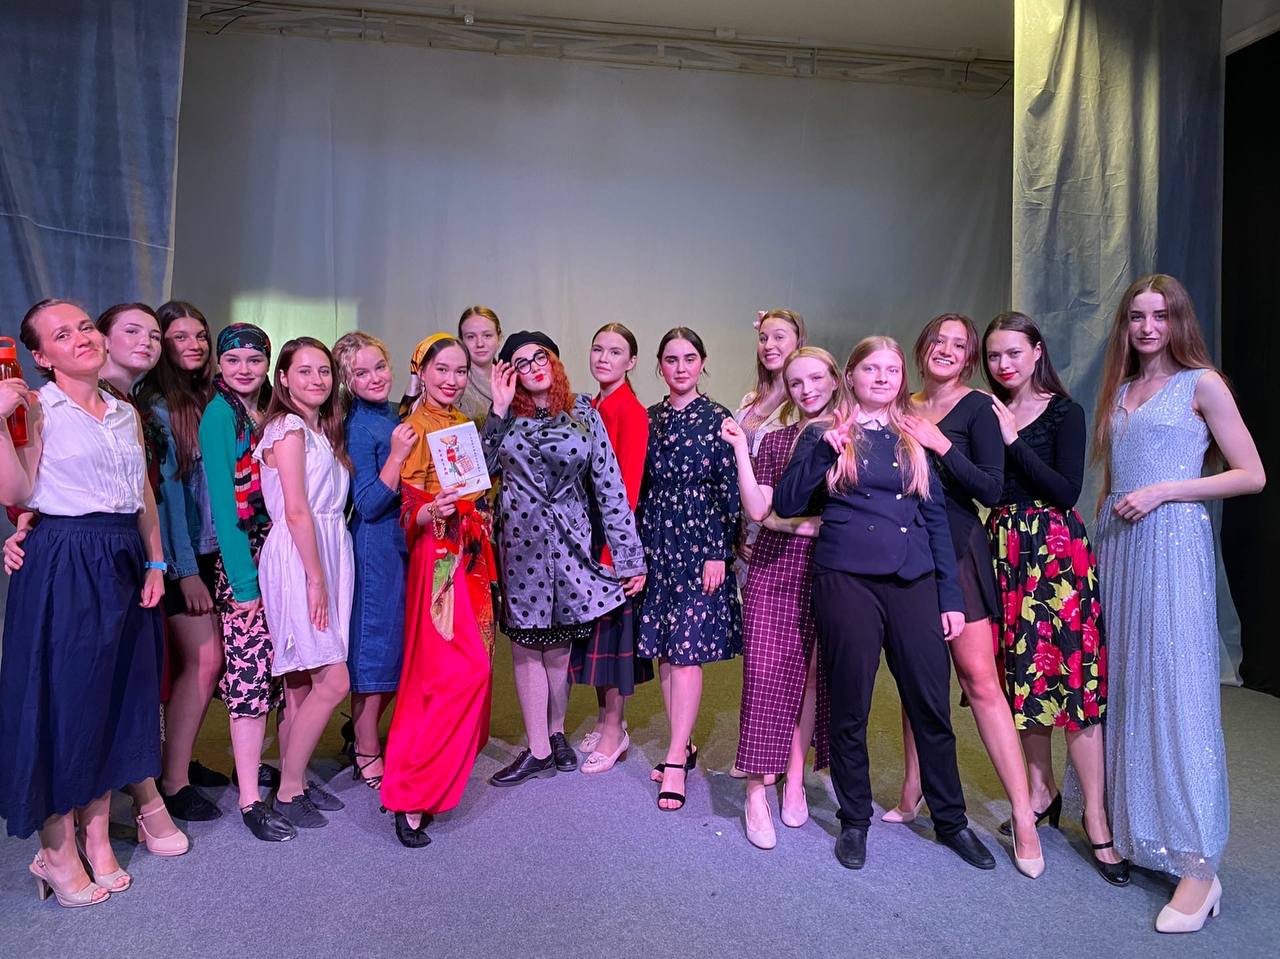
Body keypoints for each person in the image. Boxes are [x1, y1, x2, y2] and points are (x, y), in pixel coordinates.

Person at [773, 335, 994, 872]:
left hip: (913, 580)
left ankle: (951, 820)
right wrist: (825, 452)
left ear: (900, 379)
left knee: (930, 703)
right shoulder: (825, 433)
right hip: (847, 580)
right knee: (851, 702)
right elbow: (786, 502)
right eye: (871, 368)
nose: (882, 378)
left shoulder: (913, 435)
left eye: (892, 370)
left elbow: (935, 519)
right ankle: (854, 819)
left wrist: (949, 596)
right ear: (850, 376)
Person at [1093, 275, 1264, 933]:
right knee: (1127, 685)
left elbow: (1251, 474)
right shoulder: (1121, 388)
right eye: (1136, 316)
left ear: (1178, 321)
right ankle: (1142, 830)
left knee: (1178, 688)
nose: (1147, 327)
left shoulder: (1203, 383)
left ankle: (1199, 865)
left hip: (1172, 542)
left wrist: (1166, 490)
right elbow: (1117, 479)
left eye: (1160, 316)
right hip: (1120, 545)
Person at [0, 300, 166, 906]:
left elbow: (141, 492)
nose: (82, 339)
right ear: (41, 356)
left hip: (122, 553)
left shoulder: (124, 413)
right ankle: (54, 846)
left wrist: (155, 559)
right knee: (62, 702)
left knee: (113, 697)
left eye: (86, 327)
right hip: (65, 559)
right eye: (62, 335)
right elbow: (17, 490)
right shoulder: (36, 407)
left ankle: (96, 834)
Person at [883, 313, 1041, 877]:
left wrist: (939, 445)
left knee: (980, 683)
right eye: (938, 340)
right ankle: (913, 790)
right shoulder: (899, 405)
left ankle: (1023, 815)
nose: (946, 350)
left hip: (957, 550)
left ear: (969, 358)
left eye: (959, 345)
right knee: (916, 682)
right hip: (907, 553)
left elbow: (992, 490)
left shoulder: (978, 409)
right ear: (922, 346)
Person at [982, 311, 1124, 884]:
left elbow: (1065, 490)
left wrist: (1012, 440)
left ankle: (1096, 817)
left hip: (1055, 550)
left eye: (1013, 352)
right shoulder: (987, 410)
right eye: (994, 355)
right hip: (1004, 549)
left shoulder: (1065, 412)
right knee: (1024, 680)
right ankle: (1041, 792)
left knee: (1073, 682)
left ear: (1037, 351)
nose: (1003, 364)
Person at [483, 331, 646, 786]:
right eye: (521, 362)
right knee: (526, 644)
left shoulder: (583, 414)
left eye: (540, 357)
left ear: (553, 361)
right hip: (520, 548)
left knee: (558, 646)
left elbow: (611, 488)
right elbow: (479, 472)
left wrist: (629, 558)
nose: (533, 366)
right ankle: (538, 749)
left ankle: (555, 734)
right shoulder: (503, 419)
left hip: (571, 544)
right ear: (510, 373)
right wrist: (497, 410)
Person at [380, 333, 497, 847]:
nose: (451, 379)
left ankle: (428, 783)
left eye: (459, 371)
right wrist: (433, 510)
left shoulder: (460, 424)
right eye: (441, 370)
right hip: (439, 558)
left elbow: (479, 494)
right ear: (421, 372)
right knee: (447, 674)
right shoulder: (412, 428)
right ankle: (409, 792)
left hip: (469, 554)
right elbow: (406, 511)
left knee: (471, 670)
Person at [721, 346, 836, 849]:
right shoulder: (777, 440)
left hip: (828, 570)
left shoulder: (850, 440)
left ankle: (794, 778)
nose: (807, 390)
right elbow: (759, 509)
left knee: (811, 675)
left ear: (835, 380)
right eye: (796, 382)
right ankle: (755, 792)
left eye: (816, 379)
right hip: (772, 567)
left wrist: (800, 524)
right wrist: (741, 452)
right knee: (765, 674)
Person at [199, 323, 296, 842]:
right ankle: (249, 801)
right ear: (220, 364)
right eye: (233, 360)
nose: (244, 369)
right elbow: (224, 504)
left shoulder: (268, 411)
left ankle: (269, 773)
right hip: (245, 562)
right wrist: (243, 584)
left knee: (279, 672)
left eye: (254, 360)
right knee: (250, 679)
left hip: (276, 552)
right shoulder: (220, 415)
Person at [638, 327, 741, 811]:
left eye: (689, 358)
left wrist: (720, 550)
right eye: (671, 359)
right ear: (659, 366)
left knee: (687, 650)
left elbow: (729, 489)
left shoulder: (718, 418)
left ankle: (676, 758)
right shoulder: (649, 418)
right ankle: (685, 741)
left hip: (701, 542)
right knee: (665, 646)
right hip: (656, 540)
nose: (681, 368)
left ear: (702, 363)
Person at [254, 337, 354, 830]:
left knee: (303, 682)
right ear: (284, 379)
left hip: (328, 547)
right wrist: (315, 578)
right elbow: (295, 510)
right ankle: (289, 789)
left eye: (324, 371)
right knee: (334, 680)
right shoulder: (287, 427)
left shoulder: (319, 429)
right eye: (305, 371)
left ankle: (295, 779)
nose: (317, 379)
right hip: (301, 554)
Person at [142, 301, 227, 822]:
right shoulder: (157, 407)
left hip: (211, 548)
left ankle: (179, 761)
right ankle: (172, 783)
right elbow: (168, 496)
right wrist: (186, 571)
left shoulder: (207, 398)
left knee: (203, 667)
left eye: (200, 335)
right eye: (180, 337)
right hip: (182, 557)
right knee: (203, 661)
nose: (193, 345)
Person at [333, 331, 418, 789]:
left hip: (405, 541)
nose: (374, 378)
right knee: (375, 650)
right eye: (361, 373)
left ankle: (366, 735)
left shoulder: (389, 412)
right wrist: (399, 457)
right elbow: (366, 502)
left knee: (399, 649)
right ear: (347, 382)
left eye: (379, 367)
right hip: (376, 546)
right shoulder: (358, 426)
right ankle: (365, 748)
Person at [571, 323, 654, 773]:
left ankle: (613, 731)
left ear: (631, 361)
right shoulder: (592, 406)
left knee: (613, 639)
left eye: (615, 351)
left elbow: (629, 491)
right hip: (591, 536)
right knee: (595, 640)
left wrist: (616, 556)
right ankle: (608, 721)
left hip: (613, 541)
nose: (604, 358)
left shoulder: (630, 411)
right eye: (598, 349)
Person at [731, 309, 805, 588]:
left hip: (776, 529)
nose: (769, 345)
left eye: (779, 337)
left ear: (798, 342)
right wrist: (736, 531)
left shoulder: (803, 403)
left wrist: (768, 526)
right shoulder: (751, 400)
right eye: (763, 338)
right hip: (741, 526)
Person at [456, 305, 503, 424]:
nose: (480, 344)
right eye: (471, 337)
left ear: (499, 338)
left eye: (487, 335)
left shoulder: (513, 379)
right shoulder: (454, 386)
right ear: (461, 342)